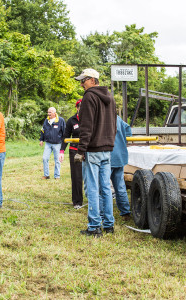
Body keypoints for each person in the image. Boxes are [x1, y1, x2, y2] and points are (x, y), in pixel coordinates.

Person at [74, 68, 117, 237]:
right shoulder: (110, 97)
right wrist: (110, 143)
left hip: (93, 150)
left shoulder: (89, 97)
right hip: (107, 149)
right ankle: (109, 224)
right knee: (106, 187)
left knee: (92, 188)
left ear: (92, 80)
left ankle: (94, 227)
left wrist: (81, 150)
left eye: (83, 80)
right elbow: (114, 124)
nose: (81, 83)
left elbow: (86, 127)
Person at [100, 116, 132, 221]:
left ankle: (102, 214)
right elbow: (128, 130)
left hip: (108, 157)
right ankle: (125, 212)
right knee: (120, 186)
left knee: (104, 187)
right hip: (120, 157)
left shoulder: (103, 118)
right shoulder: (118, 119)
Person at [59, 99, 83, 209]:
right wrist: (62, 151)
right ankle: (77, 201)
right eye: (80, 107)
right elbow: (66, 136)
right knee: (77, 177)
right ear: (77, 108)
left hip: (88, 150)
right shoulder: (71, 121)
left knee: (90, 176)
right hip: (75, 151)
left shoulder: (90, 119)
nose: (82, 109)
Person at [39, 107, 65, 179]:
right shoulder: (46, 120)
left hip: (57, 144)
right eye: (48, 112)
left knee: (57, 160)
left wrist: (63, 144)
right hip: (48, 143)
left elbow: (64, 132)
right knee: (45, 158)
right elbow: (43, 130)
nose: (48, 114)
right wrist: (41, 140)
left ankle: (57, 176)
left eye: (50, 112)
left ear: (54, 113)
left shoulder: (60, 120)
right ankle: (46, 175)